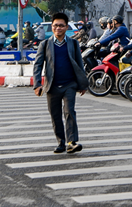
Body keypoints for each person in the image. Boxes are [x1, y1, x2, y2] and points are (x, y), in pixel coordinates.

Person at [32, 12, 90, 155]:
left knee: (69, 111)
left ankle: (72, 142)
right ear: (51, 27)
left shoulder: (73, 43)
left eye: (61, 26)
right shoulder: (45, 44)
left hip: (69, 84)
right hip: (51, 86)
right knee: (55, 115)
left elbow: (79, 64)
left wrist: (82, 84)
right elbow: (37, 65)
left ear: (66, 27)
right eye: (55, 25)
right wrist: (37, 84)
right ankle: (61, 142)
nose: (58, 28)